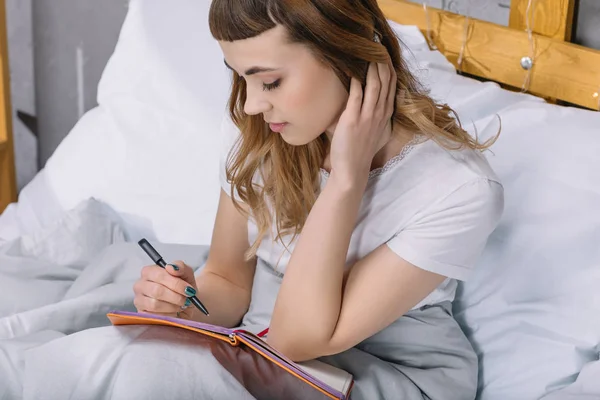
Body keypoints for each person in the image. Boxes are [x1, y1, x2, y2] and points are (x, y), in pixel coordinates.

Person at [132, 0, 504, 398]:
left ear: (345, 56)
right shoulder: (259, 132)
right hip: (263, 352)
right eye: (242, 78)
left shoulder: (459, 189)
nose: (251, 104)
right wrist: (184, 303)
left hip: (384, 374)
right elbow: (229, 281)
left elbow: (296, 339)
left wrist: (346, 179)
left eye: (270, 82)